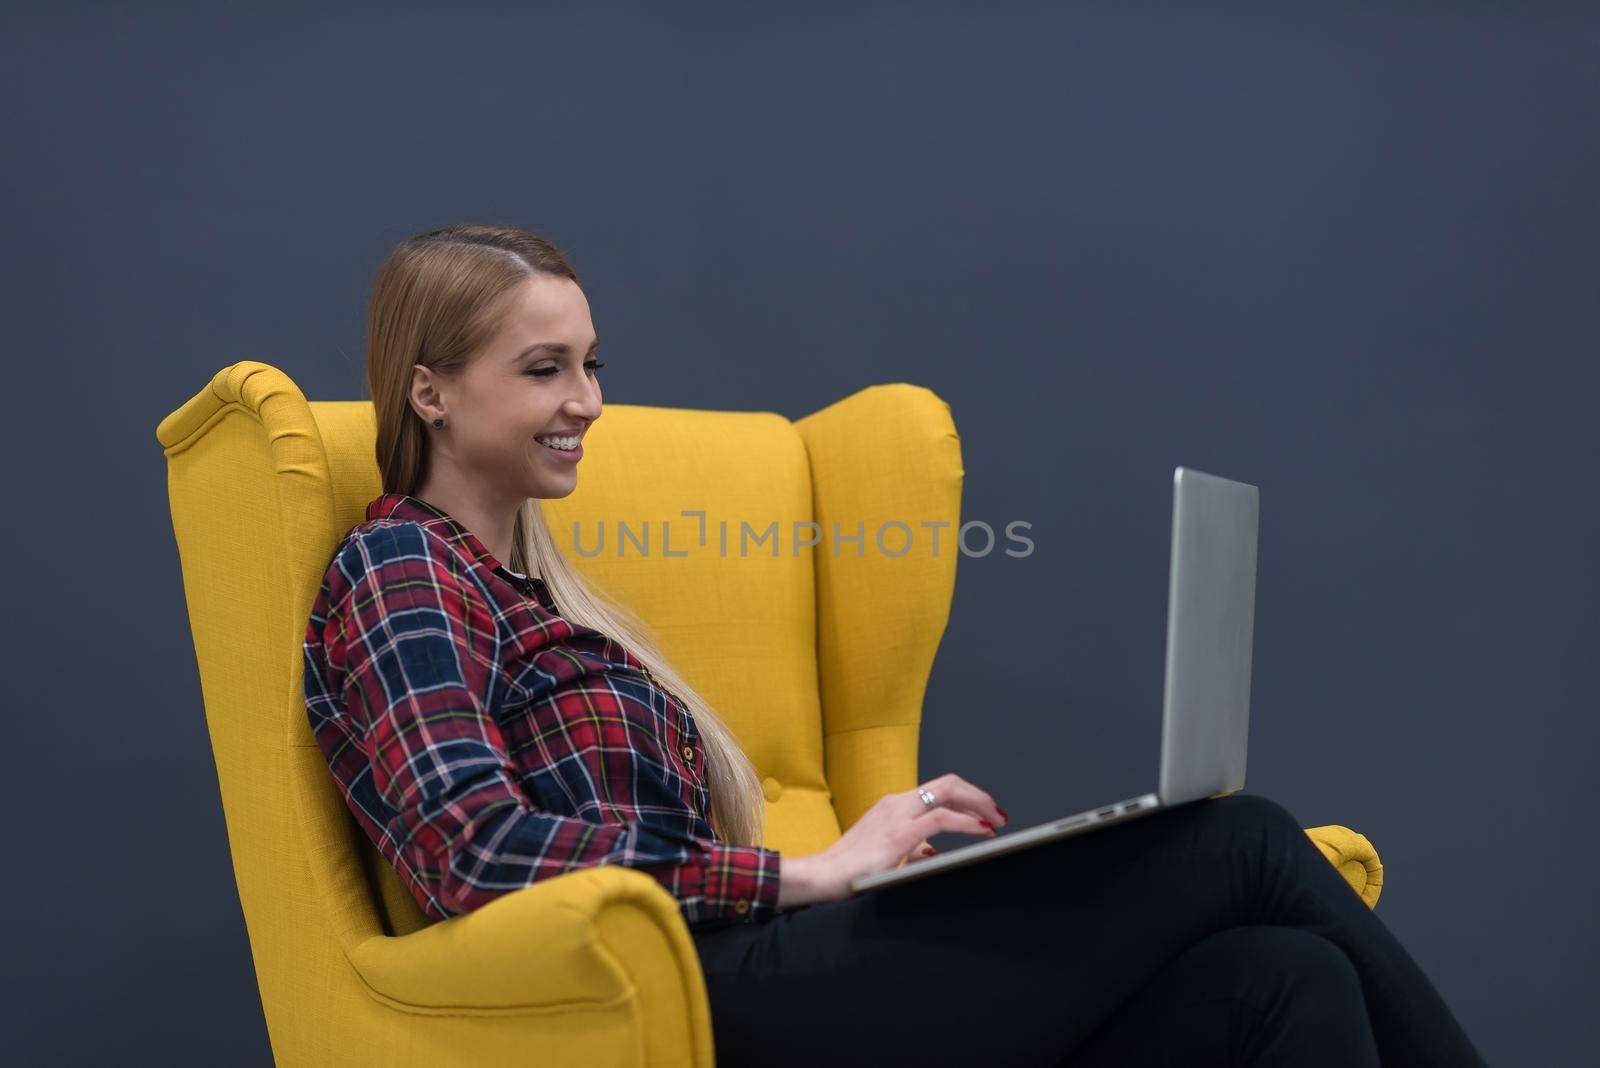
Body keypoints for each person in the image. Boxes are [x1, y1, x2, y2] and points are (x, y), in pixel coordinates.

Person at [301, 223, 1489, 1066]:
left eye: (592, 363)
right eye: (544, 369)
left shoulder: (541, 594)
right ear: (431, 394)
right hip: (686, 998)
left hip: (767, 963)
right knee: (1239, 841)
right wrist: (806, 874)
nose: (590, 401)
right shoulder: (404, 567)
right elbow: (471, 845)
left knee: (1286, 982)